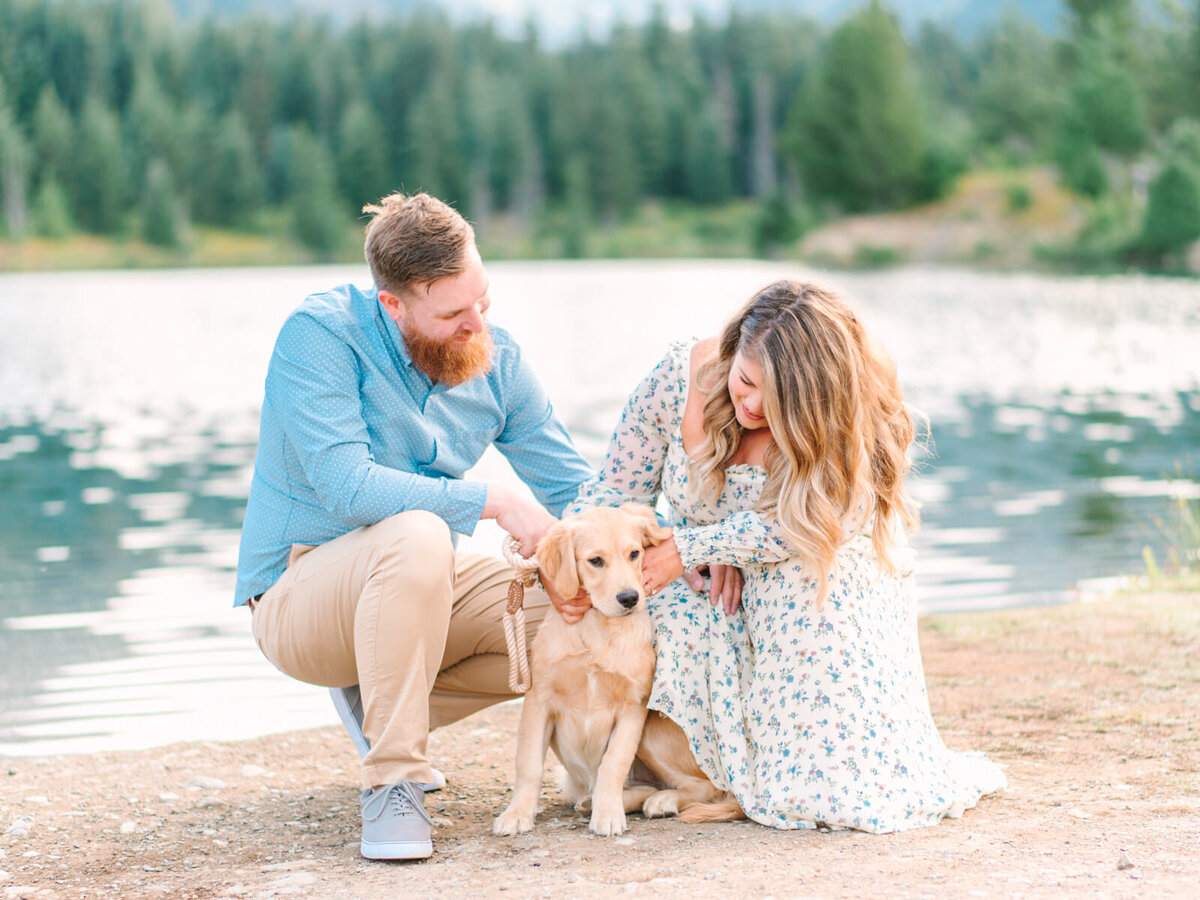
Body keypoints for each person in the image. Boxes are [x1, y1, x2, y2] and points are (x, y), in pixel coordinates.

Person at [564, 280, 1006, 832]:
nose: (749, 406)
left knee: (829, 774)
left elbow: (814, 526)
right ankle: (668, 768)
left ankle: (749, 770)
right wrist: (561, 544)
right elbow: (617, 490)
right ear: (732, 352)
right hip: (701, 585)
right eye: (744, 382)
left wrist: (706, 543)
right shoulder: (679, 379)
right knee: (627, 602)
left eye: (774, 404)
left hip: (803, 582)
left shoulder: (846, 423)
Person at [233, 192, 593, 860]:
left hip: (420, 582)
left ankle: (383, 700)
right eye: (454, 313)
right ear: (392, 304)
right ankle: (393, 781)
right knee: (420, 527)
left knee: (587, 608)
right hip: (300, 592)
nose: (476, 323)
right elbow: (347, 486)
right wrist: (498, 502)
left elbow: (575, 486)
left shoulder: (498, 358)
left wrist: (671, 549)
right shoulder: (318, 337)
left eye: (482, 300)